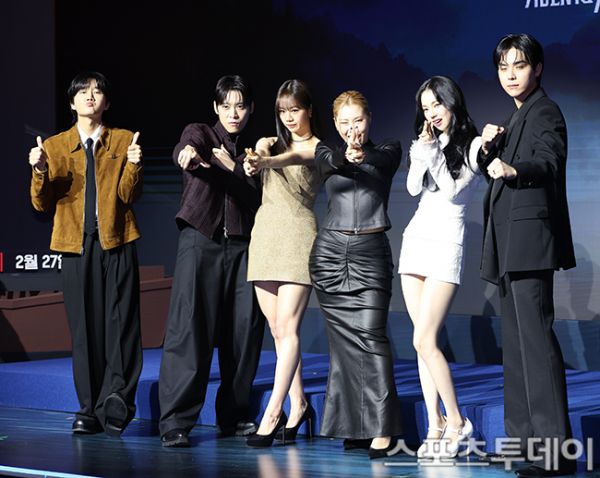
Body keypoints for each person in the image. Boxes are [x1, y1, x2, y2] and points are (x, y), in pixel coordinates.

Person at [478, 33, 576, 478]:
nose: (511, 75)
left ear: (537, 68)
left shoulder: (545, 111)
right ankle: (521, 445)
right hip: (509, 245)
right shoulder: (514, 118)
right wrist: (488, 150)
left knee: (535, 345)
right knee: (517, 349)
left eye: (519, 65)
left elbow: (548, 162)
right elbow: (494, 172)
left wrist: (514, 168)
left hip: (530, 243)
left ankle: (554, 454)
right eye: (504, 68)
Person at [29, 71, 143, 437]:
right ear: (72, 102)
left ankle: (117, 400)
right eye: (82, 92)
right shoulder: (55, 146)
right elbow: (40, 203)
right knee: (84, 329)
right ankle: (88, 409)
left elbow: (128, 196)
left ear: (107, 102)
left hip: (117, 240)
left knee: (121, 325)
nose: (90, 97)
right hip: (75, 246)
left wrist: (134, 164)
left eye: (97, 92)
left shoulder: (123, 139)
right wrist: (40, 170)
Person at [158, 75, 265, 447]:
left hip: (243, 246)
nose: (234, 113)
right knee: (190, 328)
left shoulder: (254, 153)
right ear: (216, 107)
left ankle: (234, 414)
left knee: (244, 330)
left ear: (250, 109)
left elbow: (256, 198)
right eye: (227, 106)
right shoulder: (201, 133)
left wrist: (234, 167)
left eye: (241, 106)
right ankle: (175, 421)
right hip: (201, 240)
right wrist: (187, 153)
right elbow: (187, 147)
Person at [309, 90, 403, 459]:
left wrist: (362, 155)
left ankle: (381, 428)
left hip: (370, 254)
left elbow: (381, 160)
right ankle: (354, 427)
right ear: (336, 124)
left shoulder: (389, 149)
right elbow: (329, 161)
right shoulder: (325, 152)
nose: (353, 129)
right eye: (345, 123)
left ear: (369, 119)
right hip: (329, 255)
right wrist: (345, 156)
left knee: (372, 337)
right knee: (343, 344)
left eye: (358, 120)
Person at [398, 76, 480, 458]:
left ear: (452, 102)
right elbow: (413, 188)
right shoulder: (429, 141)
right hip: (416, 240)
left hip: (447, 244)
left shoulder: (473, 145)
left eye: (437, 104)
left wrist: (433, 156)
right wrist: (421, 154)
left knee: (425, 339)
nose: (432, 113)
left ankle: (458, 421)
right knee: (420, 341)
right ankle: (435, 423)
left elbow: (453, 191)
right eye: (426, 107)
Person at [242, 79, 320, 447]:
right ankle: (298, 402)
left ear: (309, 110)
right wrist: (255, 157)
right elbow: (261, 152)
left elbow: (293, 158)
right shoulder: (268, 143)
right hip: (266, 236)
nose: (289, 117)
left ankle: (273, 414)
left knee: (288, 329)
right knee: (277, 331)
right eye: (283, 111)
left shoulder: (317, 147)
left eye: (295, 110)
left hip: (297, 237)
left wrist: (266, 160)